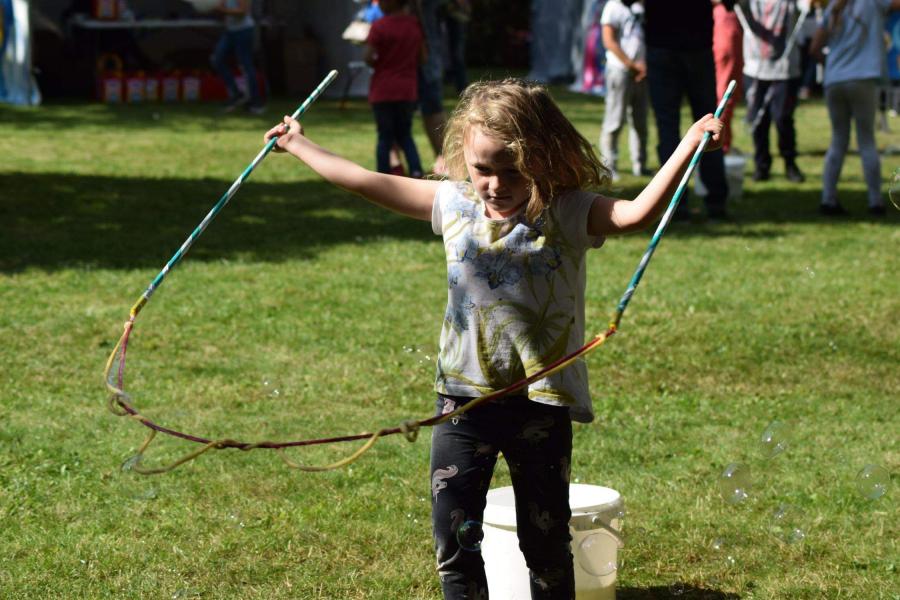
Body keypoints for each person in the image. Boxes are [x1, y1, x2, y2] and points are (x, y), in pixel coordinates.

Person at [264, 77, 724, 599]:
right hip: (462, 403)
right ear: (463, 158)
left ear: (543, 158)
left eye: (513, 170)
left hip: (539, 404)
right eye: (483, 169)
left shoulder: (566, 211)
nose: (496, 184)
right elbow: (365, 181)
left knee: (546, 544)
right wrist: (298, 143)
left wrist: (688, 145)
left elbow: (635, 213)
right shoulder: (454, 203)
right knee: (454, 543)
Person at [644, 0, 731, 220]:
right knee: (708, 125)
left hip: (668, 44)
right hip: (691, 45)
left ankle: (679, 205)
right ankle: (713, 203)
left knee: (675, 128)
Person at [810, 0, 898, 216]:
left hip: (834, 79)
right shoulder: (873, 2)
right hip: (863, 77)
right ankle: (875, 201)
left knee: (838, 140)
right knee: (866, 140)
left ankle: (828, 199)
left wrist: (832, 66)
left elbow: (814, 48)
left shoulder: (832, 7)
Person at [736, 0, 806, 182]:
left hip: (785, 68)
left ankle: (790, 163)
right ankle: (762, 165)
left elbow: (807, 5)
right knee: (758, 121)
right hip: (755, 68)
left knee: (783, 118)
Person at [365, 0, 425, 177]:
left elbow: (368, 57)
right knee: (405, 135)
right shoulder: (414, 25)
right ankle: (416, 171)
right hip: (407, 90)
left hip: (383, 90)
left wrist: (382, 62)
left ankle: (383, 176)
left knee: (385, 136)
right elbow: (423, 57)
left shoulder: (379, 26)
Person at [599, 0, 650, 180]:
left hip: (641, 72)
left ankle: (640, 165)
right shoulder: (613, 6)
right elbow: (609, 41)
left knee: (640, 122)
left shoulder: (640, 6)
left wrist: (643, 66)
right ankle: (609, 166)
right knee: (614, 121)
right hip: (619, 70)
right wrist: (631, 65)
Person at [211, 0, 264, 114]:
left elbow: (242, 11)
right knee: (217, 60)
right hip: (230, 31)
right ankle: (236, 94)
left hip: (244, 31)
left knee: (246, 65)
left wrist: (221, 9)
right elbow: (220, 7)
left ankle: (255, 102)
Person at [713, 0, 743, 154]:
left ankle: (724, 143)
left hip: (723, 23)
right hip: (725, 25)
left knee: (726, 91)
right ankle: (721, 146)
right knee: (726, 92)